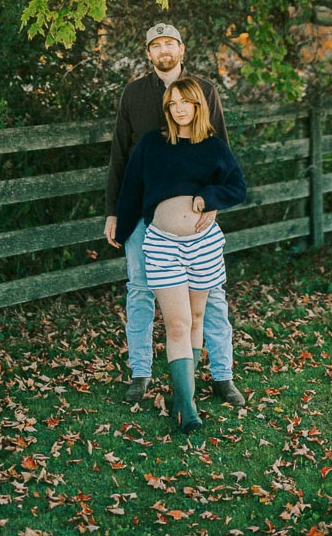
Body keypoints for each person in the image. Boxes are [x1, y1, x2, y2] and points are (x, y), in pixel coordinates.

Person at [104, 23, 246, 409]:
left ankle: (221, 375)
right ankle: (141, 373)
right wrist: (114, 212)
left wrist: (213, 202)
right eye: (156, 45)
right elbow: (121, 154)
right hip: (142, 214)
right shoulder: (134, 93)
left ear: (182, 49)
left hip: (196, 220)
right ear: (148, 53)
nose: (163, 49)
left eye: (170, 43)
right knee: (140, 290)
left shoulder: (204, 91)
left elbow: (221, 153)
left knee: (211, 298)